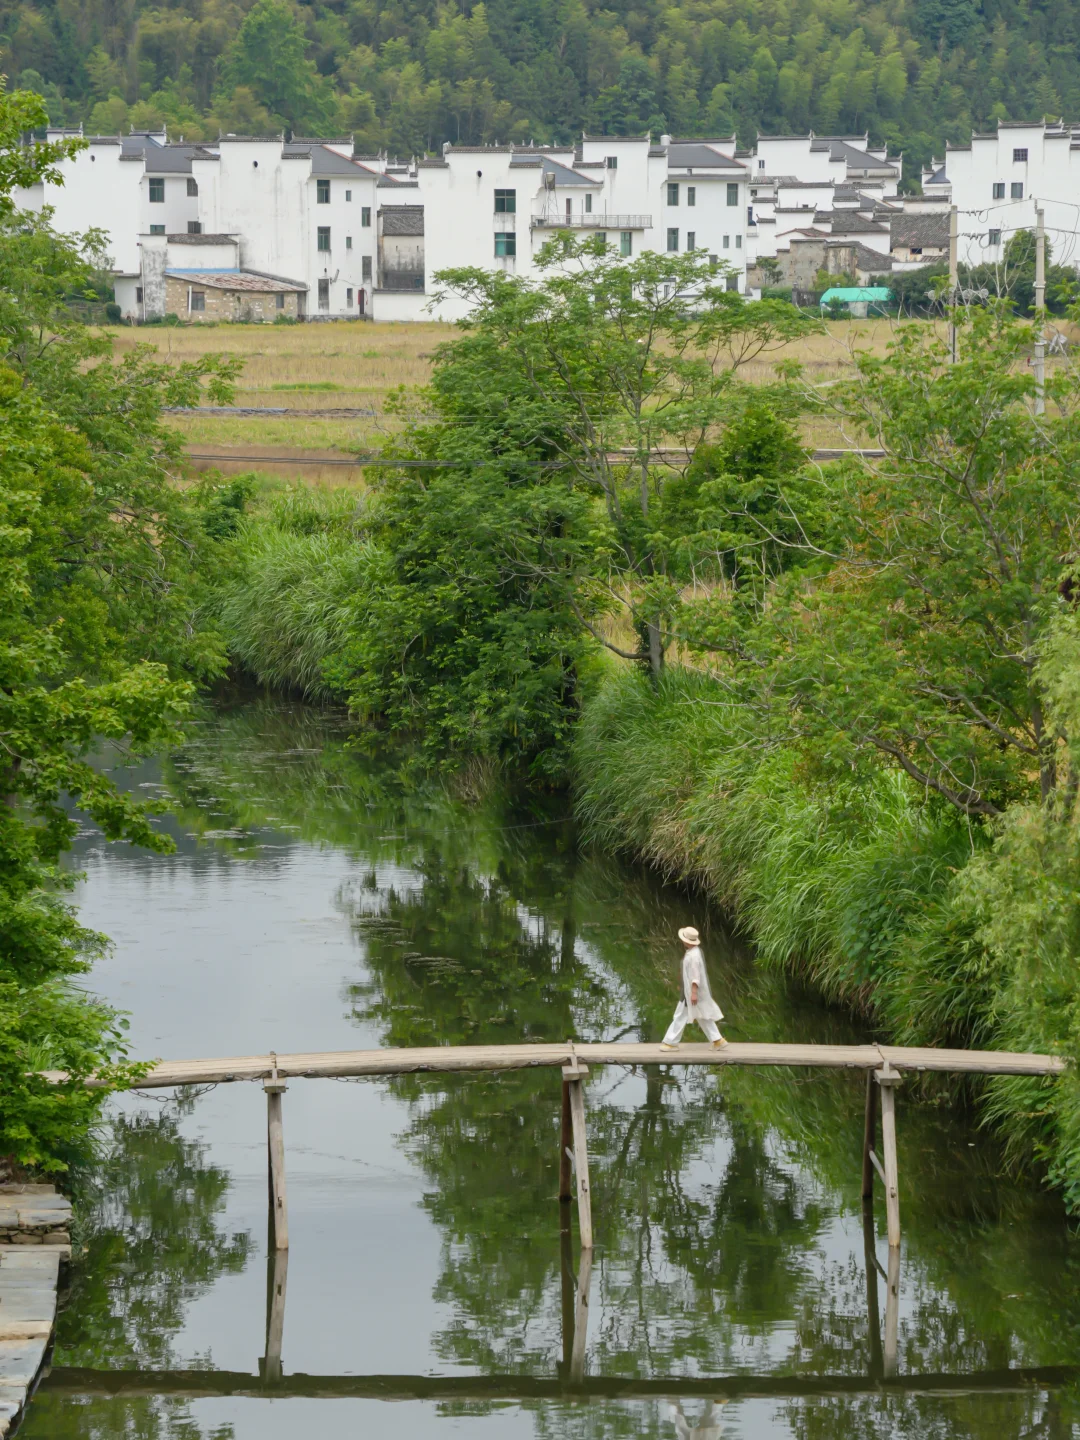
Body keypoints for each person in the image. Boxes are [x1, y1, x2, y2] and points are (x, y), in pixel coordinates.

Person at [660, 926, 726, 1050]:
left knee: (680, 1016)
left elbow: (695, 976)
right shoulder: (694, 952)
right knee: (702, 1015)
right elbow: (688, 973)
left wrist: (693, 993)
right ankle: (718, 1040)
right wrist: (683, 985)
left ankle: (670, 1042)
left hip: (692, 993)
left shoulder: (694, 956)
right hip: (690, 991)